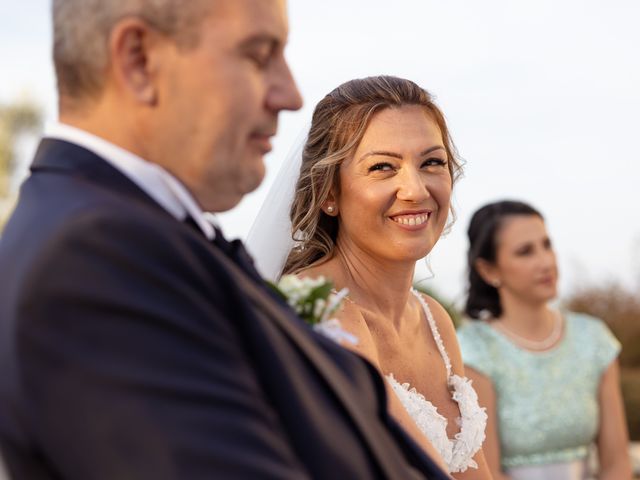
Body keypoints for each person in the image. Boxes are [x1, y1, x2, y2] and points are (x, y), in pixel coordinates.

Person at [0, 2, 451, 479]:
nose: (290, 95)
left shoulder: (151, 239)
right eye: (258, 56)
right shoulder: (92, 260)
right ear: (139, 59)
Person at [249, 76, 491, 478]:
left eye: (432, 162)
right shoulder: (316, 310)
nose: (414, 189)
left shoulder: (434, 319)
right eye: (383, 167)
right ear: (329, 193)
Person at [457, 200, 632, 480]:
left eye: (546, 245)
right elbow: (486, 473)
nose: (546, 261)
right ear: (489, 270)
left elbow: (617, 464)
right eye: (525, 252)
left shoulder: (594, 338)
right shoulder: (473, 350)